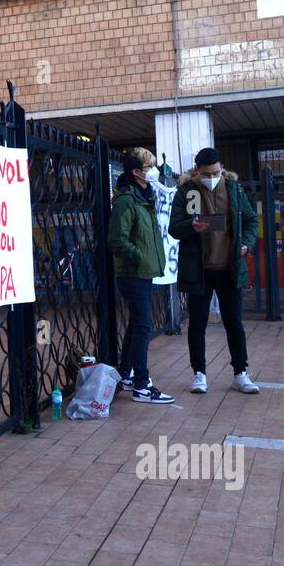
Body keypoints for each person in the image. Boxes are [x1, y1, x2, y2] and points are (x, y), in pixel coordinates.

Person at [168, 147, 261, 395]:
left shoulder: (233, 188)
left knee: (235, 323)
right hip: (199, 270)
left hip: (229, 267)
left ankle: (240, 373)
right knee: (197, 324)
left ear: (222, 168)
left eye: (216, 172)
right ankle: (199, 374)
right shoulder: (188, 191)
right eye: (207, 173)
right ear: (197, 171)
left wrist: (246, 244)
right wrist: (192, 225)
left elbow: (251, 221)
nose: (212, 177)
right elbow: (174, 228)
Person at [108, 150, 174, 404]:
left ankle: (126, 374)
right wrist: (140, 258)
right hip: (133, 274)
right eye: (150, 166)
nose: (154, 170)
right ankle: (142, 385)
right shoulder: (127, 200)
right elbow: (117, 240)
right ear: (137, 172)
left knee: (137, 324)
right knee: (143, 326)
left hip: (142, 273)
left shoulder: (143, 196)